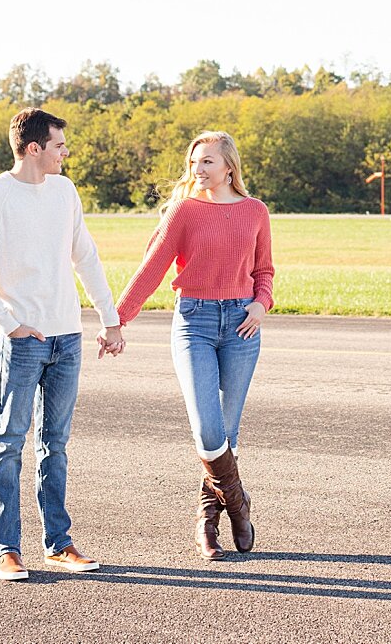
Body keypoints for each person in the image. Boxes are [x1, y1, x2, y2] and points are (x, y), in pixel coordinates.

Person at [0, 107, 126, 581]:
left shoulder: (64, 191)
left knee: (55, 445)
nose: (65, 153)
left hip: (66, 338)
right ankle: (6, 549)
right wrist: (8, 323)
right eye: (58, 145)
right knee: (9, 443)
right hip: (23, 342)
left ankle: (58, 544)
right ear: (34, 148)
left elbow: (86, 257)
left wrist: (109, 319)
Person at [113, 130, 274, 560]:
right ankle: (238, 506)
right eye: (194, 162)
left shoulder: (255, 211)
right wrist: (118, 319)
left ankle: (208, 519)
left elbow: (265, 272)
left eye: (206, 162)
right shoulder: (183, 211)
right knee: (207, 429)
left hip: (242, 325)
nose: (197, 169)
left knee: (228, 432)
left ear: (229, 167)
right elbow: (152, 268)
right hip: (194, 323)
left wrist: (261, 305)